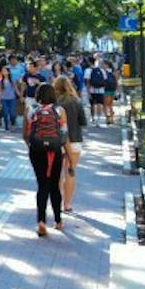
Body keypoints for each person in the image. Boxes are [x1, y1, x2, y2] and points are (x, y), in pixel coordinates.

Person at [24, 82, 68, 235]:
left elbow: (26, 134)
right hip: (55, 151)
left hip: (37, 151)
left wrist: (32, 146)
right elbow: (64, 133)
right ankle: (58, 220)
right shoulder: (60, 110)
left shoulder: (31, 110)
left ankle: (41, 221)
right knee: (54, 185)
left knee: (42, 184)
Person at [52, 75, 88, 213]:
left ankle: (57, 202)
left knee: (57, 173)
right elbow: (83, 122)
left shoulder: (54, 102)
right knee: (70, 171)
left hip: (58, 141)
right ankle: (67, 204)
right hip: (75, 140)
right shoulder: (76, 101)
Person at [86, 61, 107, 125]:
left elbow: (88, 82)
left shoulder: (89, 70)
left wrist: (88, 92)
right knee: (99, 104)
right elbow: (105, 81)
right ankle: (98, 118)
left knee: (92, 104)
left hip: (92, 90)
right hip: (101, 91)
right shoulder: (102, 71)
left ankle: (92, 117)